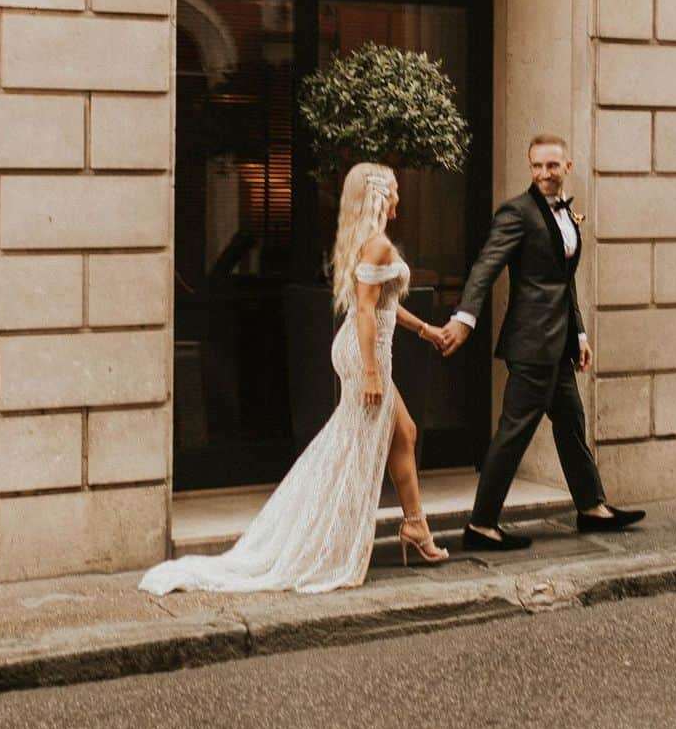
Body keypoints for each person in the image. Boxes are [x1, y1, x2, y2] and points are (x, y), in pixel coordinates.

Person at [139, 163, 449, 595]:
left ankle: (416, 526)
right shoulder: (376, 245)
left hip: (369, 350)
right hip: (367, 355)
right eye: (394, 190)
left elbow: (384, 304)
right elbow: (363, 311)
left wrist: (425, 330)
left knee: (405, 433)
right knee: (346, 451)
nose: (399, 197)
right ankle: (323, 537)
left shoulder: (372, 243)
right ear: (379, 196)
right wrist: (373, 374)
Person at [439, 134, 645, 551]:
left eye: (552, 166)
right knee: (513, 433)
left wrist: (580, 332)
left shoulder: (566, 214)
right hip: (531, 345)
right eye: (537, 166)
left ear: (567, 167)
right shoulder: (516, 213)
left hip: (559, 343)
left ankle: (592, 508)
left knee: (571, 425)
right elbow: (486, 266)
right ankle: (481, 525)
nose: (544, 174)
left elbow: (562, 281)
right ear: (530, 168)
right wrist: (465, 317)